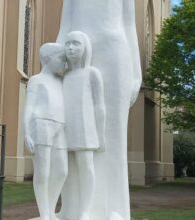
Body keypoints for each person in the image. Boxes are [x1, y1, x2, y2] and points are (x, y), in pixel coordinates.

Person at [56, 1, 142, 219]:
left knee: (113, 138)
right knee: (75, 136)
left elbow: (129, 25)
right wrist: (54, 63)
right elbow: (64, 25)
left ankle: (115, 207)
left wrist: (136, 71)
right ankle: (75, 208)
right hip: (77, 53)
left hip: (115, 54)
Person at [62, 31, 106, 220]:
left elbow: (99, 105)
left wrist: (101, 134)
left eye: (75, 44)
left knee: (86, 167)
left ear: (85, 47)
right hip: (64, 128)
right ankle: (66, 207)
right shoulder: (63, 74)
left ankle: (85, 211)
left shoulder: (92, 73)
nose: (70, 48)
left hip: (85, 128)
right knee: (64, 170)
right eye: (68, 44)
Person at [23, 43, 68, 220]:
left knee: (62, 171)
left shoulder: (60, 81)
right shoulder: (36, 80)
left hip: (59, 126)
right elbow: (28, 107)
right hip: (41, 125)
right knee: (43, 172)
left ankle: (49, 210)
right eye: (61, 59)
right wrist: (26, 132)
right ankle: (44, 214)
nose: (63, 63)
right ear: (48, 59)